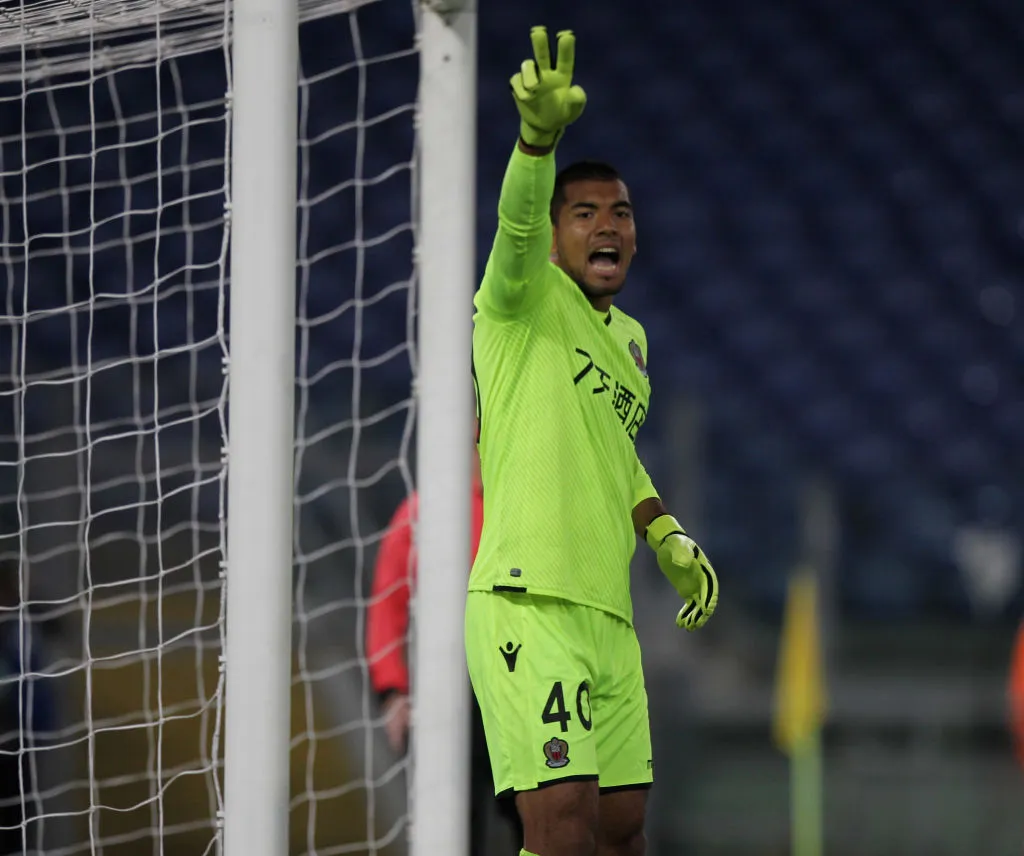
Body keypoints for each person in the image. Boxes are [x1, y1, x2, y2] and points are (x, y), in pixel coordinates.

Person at [465, 26, 720, 856]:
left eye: (621, 212)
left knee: (622, 827)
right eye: (584, 213)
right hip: (527, 601)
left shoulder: (635, 343)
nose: (607, 225)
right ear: (555, 231)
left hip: (608, 614)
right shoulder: (520, 298)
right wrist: (536, 142)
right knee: (562, 819)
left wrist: (663, 529)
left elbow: (619, 450)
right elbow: (513, 224)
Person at [366, 449, 521, 855]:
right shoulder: (423, 514)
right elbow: (387, 603)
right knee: (451, 824)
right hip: (448, 695)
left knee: (540, 821)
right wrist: (392, 690)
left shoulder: (527, 509)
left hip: (522, 690)